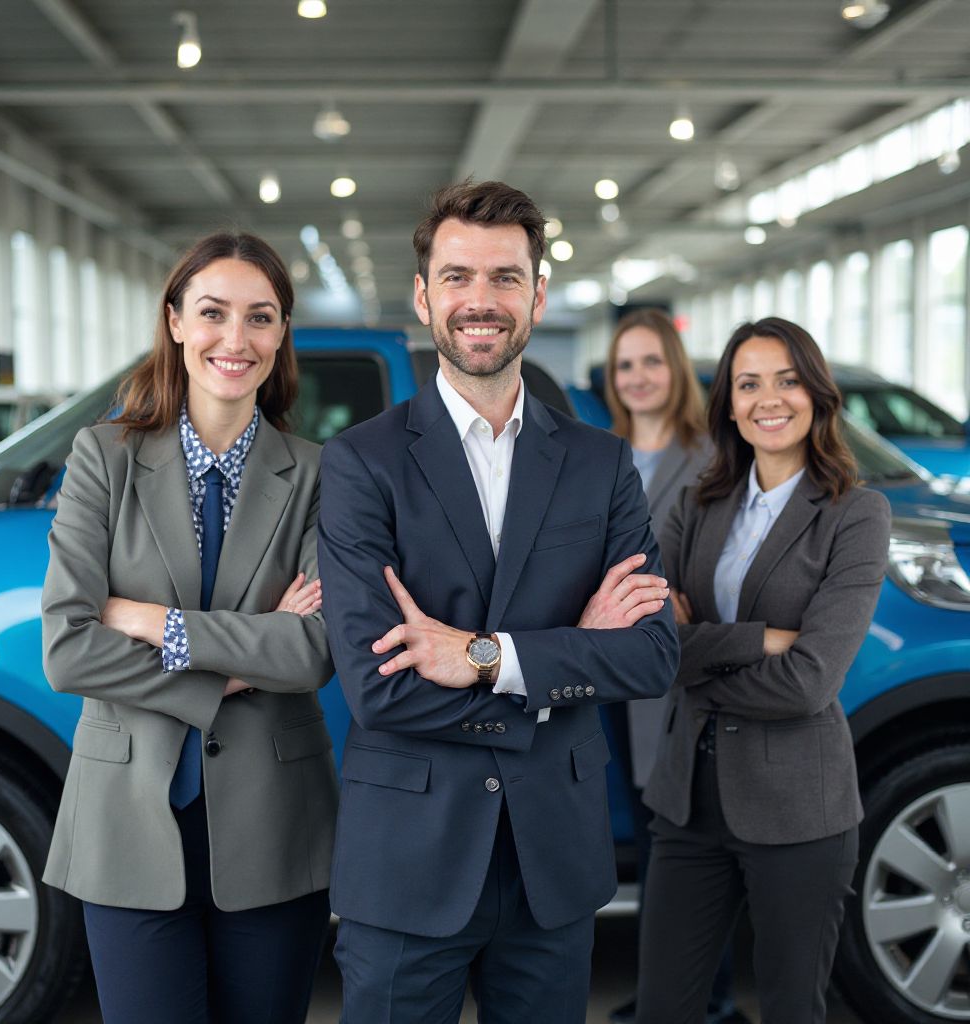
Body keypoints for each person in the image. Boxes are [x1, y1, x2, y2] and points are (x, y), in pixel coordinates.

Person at [317, 179, 679, 1024]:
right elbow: (378, 687)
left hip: (553, 861)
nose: (480, 300)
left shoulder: (600, 462)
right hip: (408, 860)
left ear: (537, 296)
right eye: (457, 276)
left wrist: (485, 656)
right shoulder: (361, 463)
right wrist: (562, 663)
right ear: (423, 297)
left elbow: (651, 654)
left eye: (505, 277)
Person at [41, 232, 337, 1024]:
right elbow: (68, 651)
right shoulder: (103, 459)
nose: (235, 339)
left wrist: (151, 621)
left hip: (276, 825)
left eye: (260, 317)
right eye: (212, 312)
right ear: (175, 321)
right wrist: (238, 665)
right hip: (126, 822)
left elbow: (312, 649)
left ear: (281, 333)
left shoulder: (318, 473)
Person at [635, 317, 890, 1024]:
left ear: (816, 394)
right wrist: (761, 639)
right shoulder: (696, 504)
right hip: (686, 800)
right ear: (728, 404)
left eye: (787, 380)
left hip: (798, 808)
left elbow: (810, 681)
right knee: (661, 1010)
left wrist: (697, 647)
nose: (768, 399)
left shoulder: (856, 515)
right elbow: (647, 647)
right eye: (748, 384)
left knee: (789, 1011)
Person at [600, 310, 746, 1024]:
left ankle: (708, 999)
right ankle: (667, 997)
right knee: (652, 835)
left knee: (689, 842)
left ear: (676, 369)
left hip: (681, 674)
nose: (638, 378)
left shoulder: (713, 457)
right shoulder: (603, 454)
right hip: (612, 675)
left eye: (651, 362)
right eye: (625, 366)